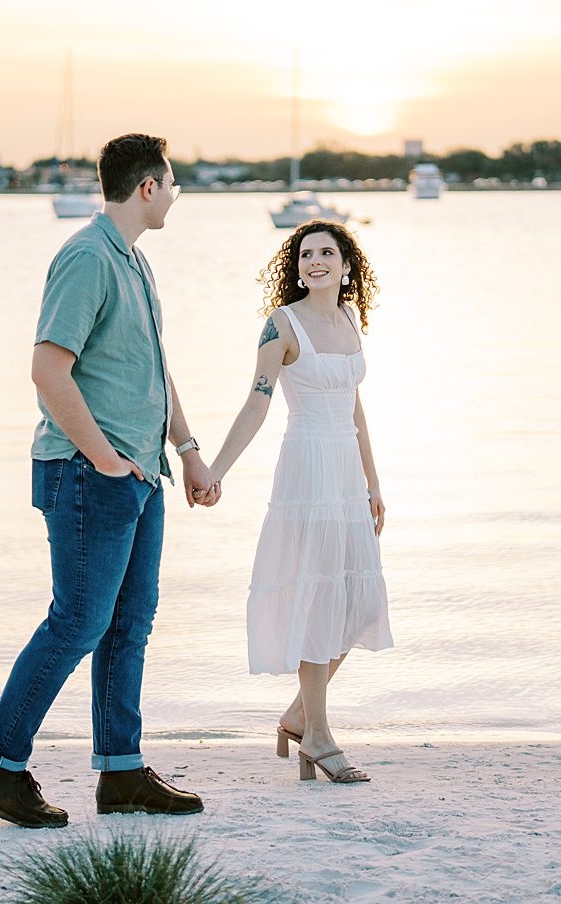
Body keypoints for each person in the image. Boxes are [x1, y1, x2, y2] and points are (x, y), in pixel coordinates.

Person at [0, 133, 219, 829]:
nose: (174, 194)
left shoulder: (133, 262)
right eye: (171, 182)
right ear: (147, 187)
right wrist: (106, 460)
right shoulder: (85, 259)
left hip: (142, 473)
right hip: (91, 473)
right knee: (78, 621)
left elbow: (151, 371)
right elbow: (49, 369)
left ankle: (122, 773)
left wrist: (189, 450)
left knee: (127, 626)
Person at [208, 219, 392, 784]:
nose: (315, 261)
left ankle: (296, 715)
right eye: (306, 253)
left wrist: (373, 482)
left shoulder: (349, 319)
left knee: (359, 602)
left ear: (345, 264)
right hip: (307, 473)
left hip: (346, 477)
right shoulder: (282, 325)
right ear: (297, 266)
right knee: (318, 600)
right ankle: (318, 735)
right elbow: (257, 403)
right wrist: (214, 470)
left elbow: (355, 407)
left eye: (326, 253)